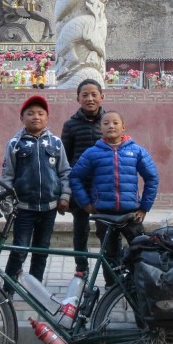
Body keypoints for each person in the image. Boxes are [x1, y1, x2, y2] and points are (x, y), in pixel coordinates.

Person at [69, 110, 159, 272]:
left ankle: (137, 285)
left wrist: (144, 207)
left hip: (131, 213)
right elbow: (75, 177)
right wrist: (86, 203)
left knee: (141, 250)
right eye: (106, 123)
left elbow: (152, 177)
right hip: (104, 213)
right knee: (110, 254)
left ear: (123, 127)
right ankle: (112, 286)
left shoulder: (137, 151)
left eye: (115, 123)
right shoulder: (92, 153)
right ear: (100, 128)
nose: (111, 126)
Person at [0, 95, 71, 285]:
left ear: (47, 118)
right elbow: (7, 175)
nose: (36, 117)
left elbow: (65, 172)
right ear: (22, 118)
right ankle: (8, 289)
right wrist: (6, 202)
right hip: (23, 208)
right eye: (30, 113)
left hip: (50, 208)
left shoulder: (56, 143)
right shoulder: (14, 144)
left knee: (41, 250)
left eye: (40, 113)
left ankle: (35, 289)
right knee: (19, 250)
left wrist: (65, 196)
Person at [61, 78, 105, 273]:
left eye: (94, 94)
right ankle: (81, 269)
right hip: (79, 187)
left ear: (101, 97)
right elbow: (64, 158)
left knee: (106, 232)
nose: (90, 99)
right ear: (78, 98)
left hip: (104, 187)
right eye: (85, 95)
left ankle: (112, 273)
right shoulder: (70, 125)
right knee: (80, 230)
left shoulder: (108, 123)